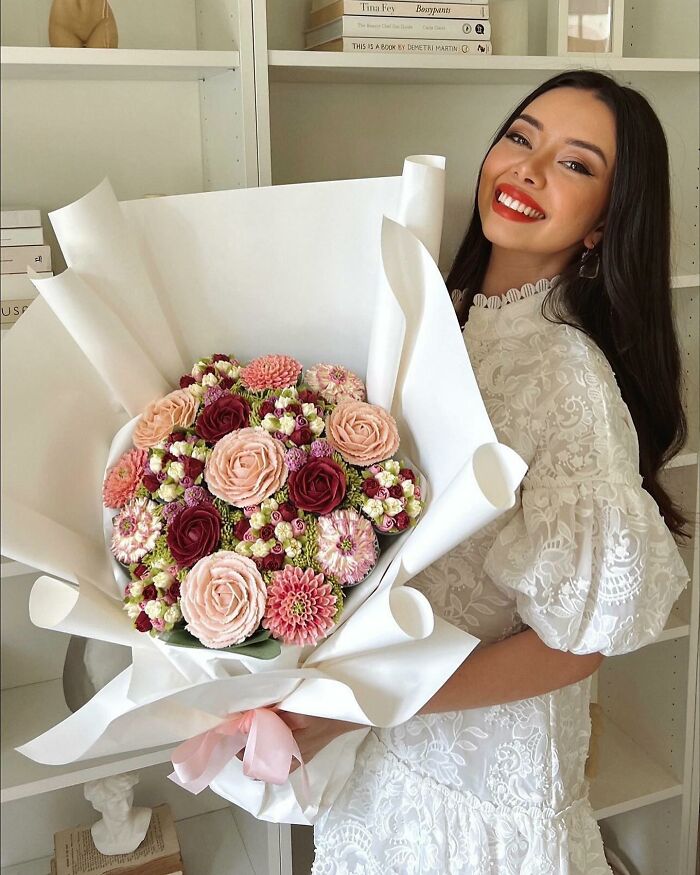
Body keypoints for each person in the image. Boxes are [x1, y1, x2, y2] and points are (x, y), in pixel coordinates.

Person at [278, 70, 693, 873]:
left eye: (575, 164)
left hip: (476, 786)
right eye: (520, 138)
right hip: (383, 759)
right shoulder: (433, 315)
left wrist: (368, 699)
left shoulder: (567, 371)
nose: (529, 170)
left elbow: (578, 645)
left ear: (606, 224)